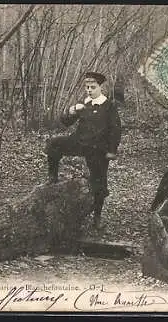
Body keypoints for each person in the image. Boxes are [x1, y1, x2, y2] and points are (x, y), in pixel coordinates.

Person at [45, 71, 122, 228]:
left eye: (92, 87)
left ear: (101, 87)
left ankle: (97, 217)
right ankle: (52, 177)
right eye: (87, 87)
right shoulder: (84, 104)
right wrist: (72, 109)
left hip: (97, 148)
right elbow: (65, 122)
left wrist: (111, 151)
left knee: (99, 181)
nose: (89, 90)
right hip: (79, 142)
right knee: (54, 143)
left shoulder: (109, 106)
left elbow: (116, 130)